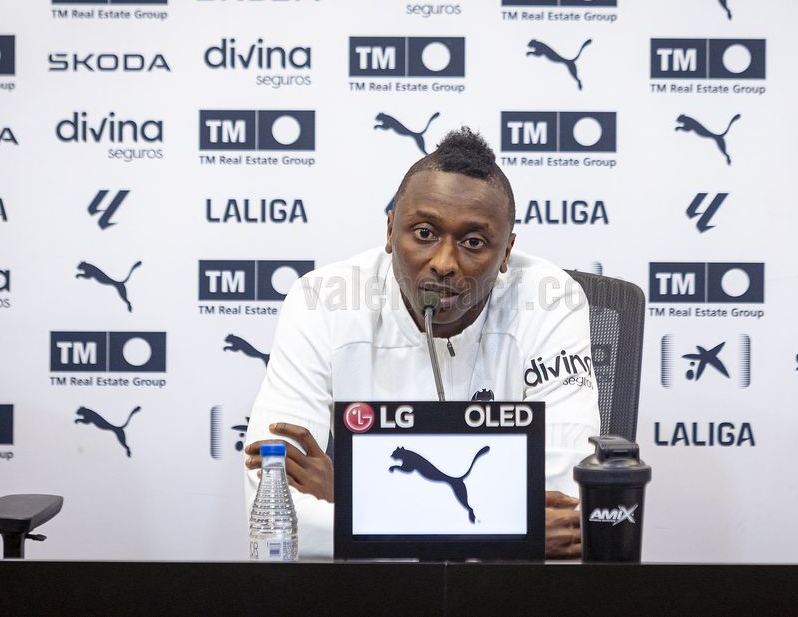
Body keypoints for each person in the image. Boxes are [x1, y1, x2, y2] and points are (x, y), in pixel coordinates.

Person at [243, 127, 600, 559]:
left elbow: (565, 516)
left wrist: (351, 500)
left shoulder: (550, 299)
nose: (444, 263)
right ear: (390, 229)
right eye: (424, 233)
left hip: (499, 589)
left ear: (506, 252)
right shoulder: (321, 301)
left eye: (474, 242)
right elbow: (273, 516)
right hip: (372, 586)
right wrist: (506, 529)